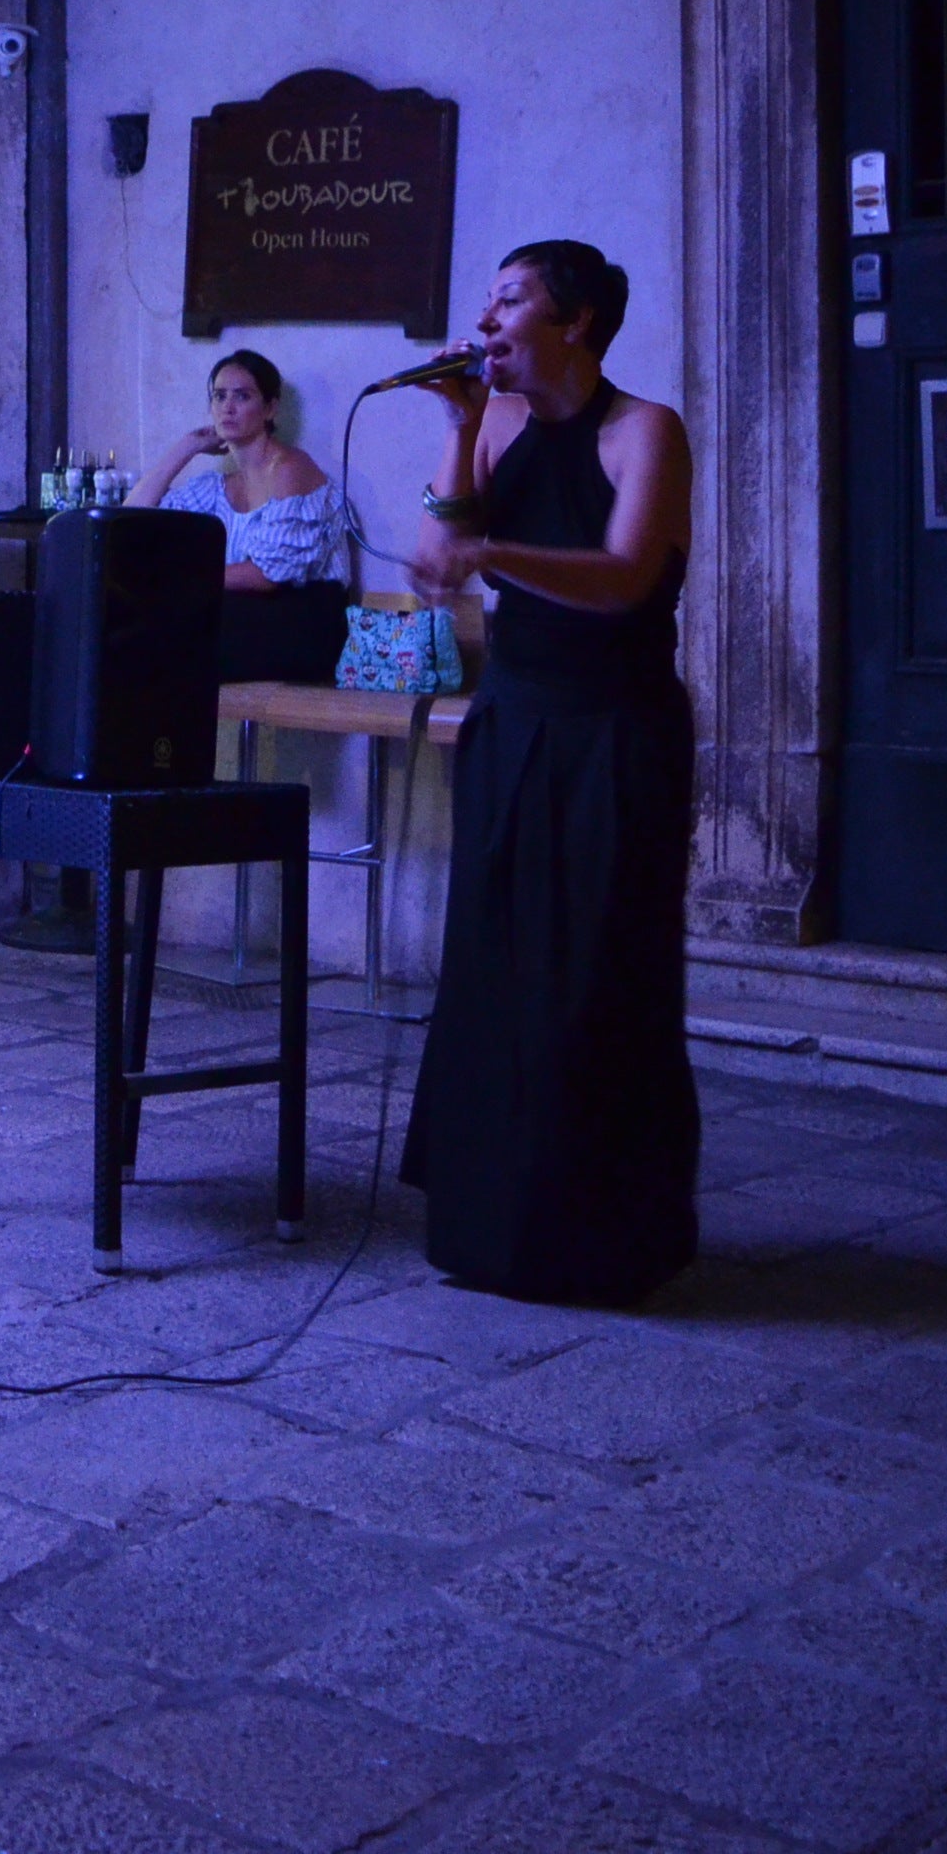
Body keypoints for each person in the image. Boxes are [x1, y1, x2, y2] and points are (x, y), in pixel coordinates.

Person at [398, 240, 699, 1305]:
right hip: (514, 724)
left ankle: (604, 1244)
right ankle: (489, 1231)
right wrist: (460, 421)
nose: (487, 321)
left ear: (575, 322)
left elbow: (623, 577)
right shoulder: (505, 421)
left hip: (613, 732)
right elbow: (449, 539)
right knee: (495, 977)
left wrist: (489, 560)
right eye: (486, 301)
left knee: (596, 979)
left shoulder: (643, 430)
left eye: (511, 300)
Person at [134, 346, 351, 683]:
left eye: (242, 396)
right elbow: (131, 519)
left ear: (270, 408)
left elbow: (267, 576)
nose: (228, 407)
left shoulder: (290, 467)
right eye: (219, 396)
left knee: (163, 638)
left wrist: (184, 579)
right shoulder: (217, 487)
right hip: (243, 612)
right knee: (136, 629)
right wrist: (187, 447)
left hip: (304, 619)